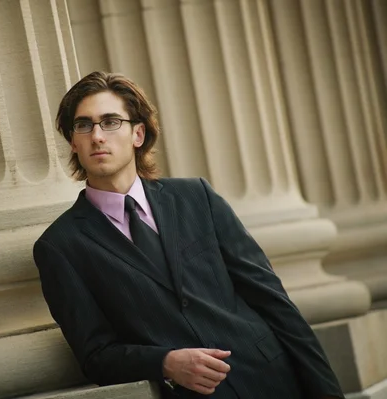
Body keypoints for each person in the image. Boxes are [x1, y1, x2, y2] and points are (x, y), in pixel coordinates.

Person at [32, 71, 344, 399]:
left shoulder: (197, 197)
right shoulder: (60, 246)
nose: (97, 135)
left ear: (138, 134)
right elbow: (96, 356)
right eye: (84, 125)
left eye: (110, 122)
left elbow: (273, 301)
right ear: (73, 141)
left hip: (272, 380)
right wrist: (165, 362)